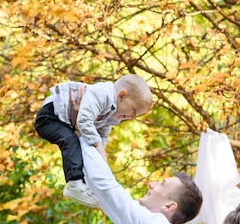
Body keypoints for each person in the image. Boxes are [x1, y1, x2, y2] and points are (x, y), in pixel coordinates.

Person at [35, 74, 153, 207]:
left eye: (136, 115)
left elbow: (102, 133)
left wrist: (100, 154)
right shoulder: (103, 94)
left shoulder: (115, 114)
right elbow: (84, 120)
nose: (132, 117)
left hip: (65, 122)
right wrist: (98, 145)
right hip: (50, 117)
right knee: (71, 140)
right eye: (134, 110)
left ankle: (85, 182)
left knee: (83, 146)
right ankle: (74, 184)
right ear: (122, 95)